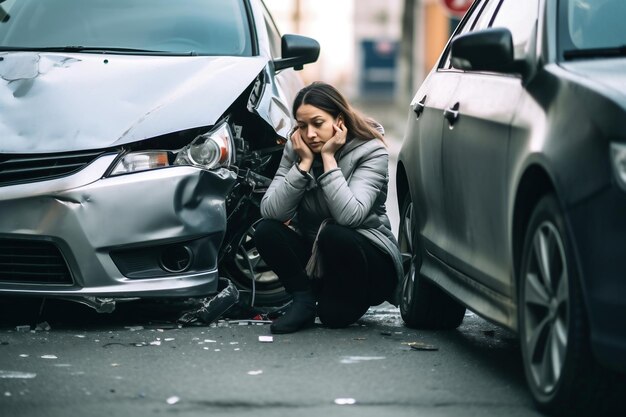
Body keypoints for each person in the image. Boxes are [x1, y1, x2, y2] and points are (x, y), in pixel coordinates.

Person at [254, 81, 403, 334]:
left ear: (339, 121)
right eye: (302, 126)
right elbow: (271, 211)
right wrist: (302, 167)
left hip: (368, 261)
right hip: (320, 260)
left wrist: (328, 159)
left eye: (318, 123)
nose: (310, 134)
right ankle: (303, 299)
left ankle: (340, 299)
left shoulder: (371, 150)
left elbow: (350, 215)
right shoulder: (298, 148)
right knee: (266, 230)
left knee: (335, 237)